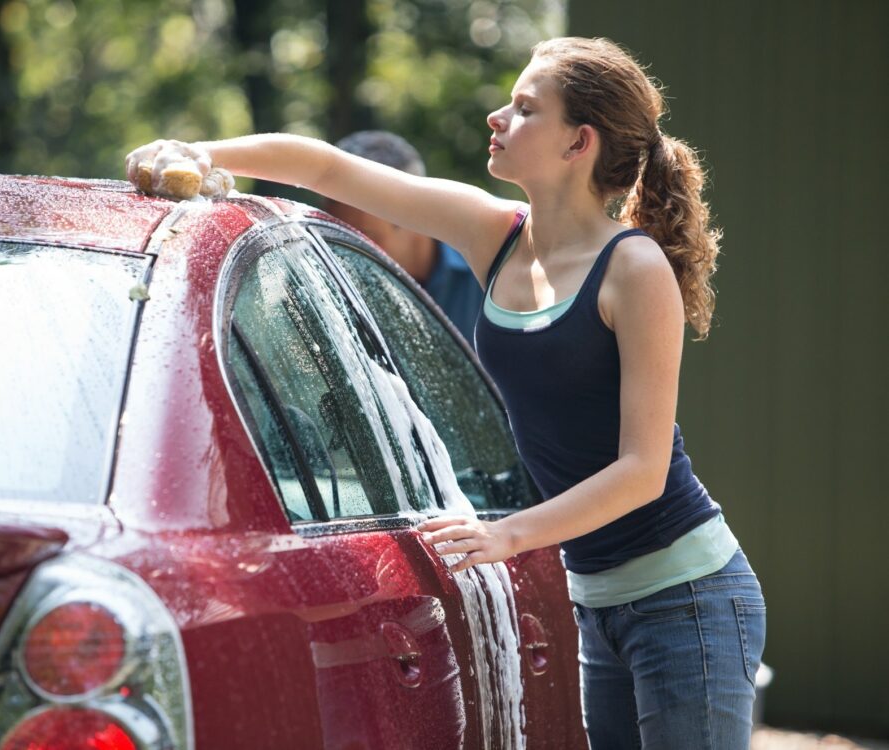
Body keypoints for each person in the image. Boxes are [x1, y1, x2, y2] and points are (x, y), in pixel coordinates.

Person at [125, 35, 765, 749]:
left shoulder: (633, 267)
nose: (498, 116)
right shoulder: (495, 234)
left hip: (686, 599)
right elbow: (325, 165)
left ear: (578, 143)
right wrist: (194, 151)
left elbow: (642, 473)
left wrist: (506, 535)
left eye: (525, 108)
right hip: (597, 599)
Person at [326, 130, 484, 344]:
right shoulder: (328, 284)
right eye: (335, 237)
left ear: (417, 217)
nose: (343, 256)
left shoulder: (493, 258)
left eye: (365, 238)